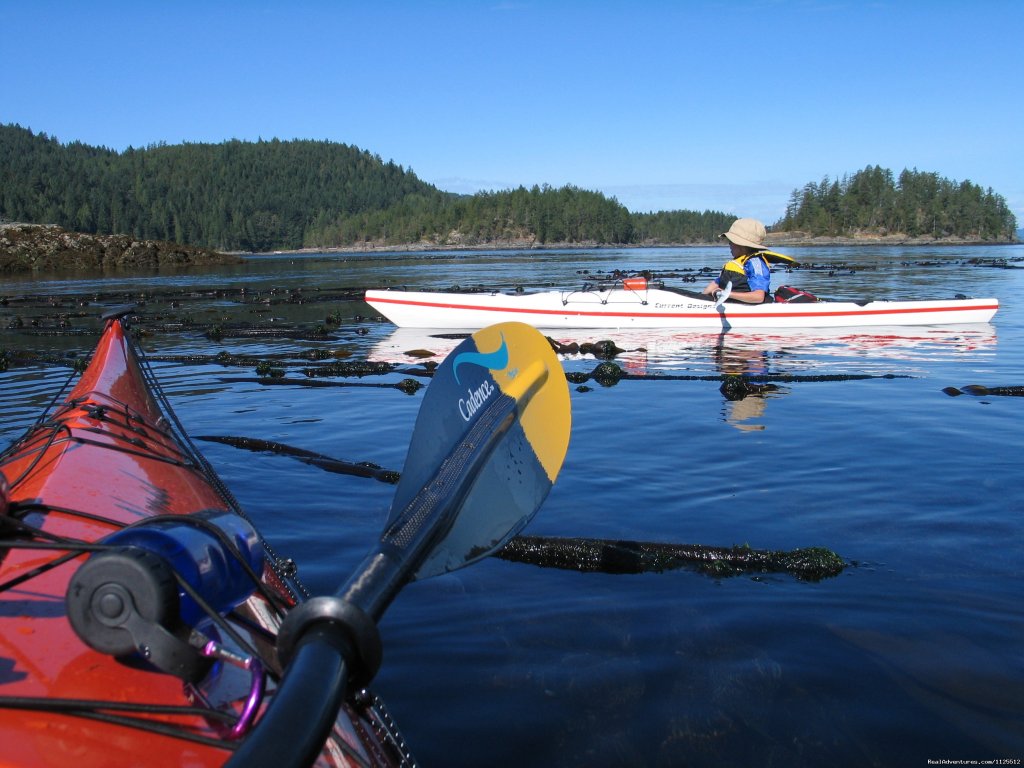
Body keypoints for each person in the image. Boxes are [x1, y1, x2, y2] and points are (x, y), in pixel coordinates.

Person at [701, 218, 772, 304]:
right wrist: (699, 298)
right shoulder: (736, 263)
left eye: (731, 241)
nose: (729, 244)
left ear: (741, 244)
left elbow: (758, 297)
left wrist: (726, 294)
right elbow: (715, 284)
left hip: (747, 307)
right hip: (729, 302)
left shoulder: (755, 263)